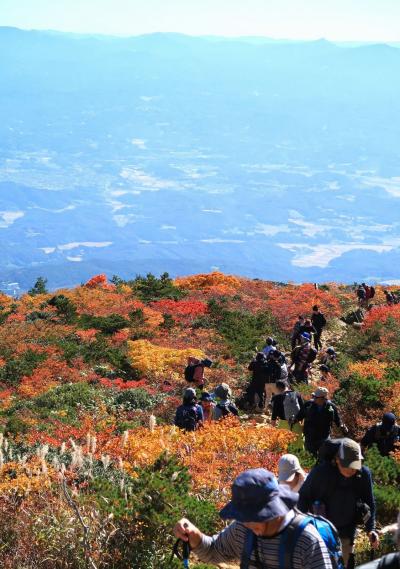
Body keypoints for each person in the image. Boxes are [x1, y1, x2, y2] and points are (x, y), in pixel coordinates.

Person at [174, 468, 333, 569]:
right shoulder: (243, 529)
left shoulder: (306, 541)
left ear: (273, 510)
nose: (246, 523)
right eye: (243, 517)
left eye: (253, 517)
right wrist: (195, 535)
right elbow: (214, 551)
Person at [298, 438, 379, 569]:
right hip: (321, 531)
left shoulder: (363, 474)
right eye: (346, 465)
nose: (351, 470)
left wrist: (371, 529)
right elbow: (303, 497)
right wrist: (300, 527)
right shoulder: (321, 473)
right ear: (337, 460)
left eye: (354, 466)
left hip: (347, 530)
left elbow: (370, 501)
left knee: (345, 564)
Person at [295, 387, 346, 456]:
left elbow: (337, 419)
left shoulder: (331, 406)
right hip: (310, 436)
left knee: (325, 456)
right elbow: (300, 416)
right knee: (310, 456)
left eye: (316, 397)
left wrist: (342, 426)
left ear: (323, 398)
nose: (314, 398)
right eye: (314, 396)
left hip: (324, 436)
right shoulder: (308, 405)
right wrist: (293, 420)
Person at [271, 380, 304, 450]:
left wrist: (272, 426)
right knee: (297, 444)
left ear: (277, 388)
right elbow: (303, 410)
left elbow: (274, 413)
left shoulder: (277, 397)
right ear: (287, 386)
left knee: (283, 444)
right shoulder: (297, 394)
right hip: (296, 423)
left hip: (284, 423)